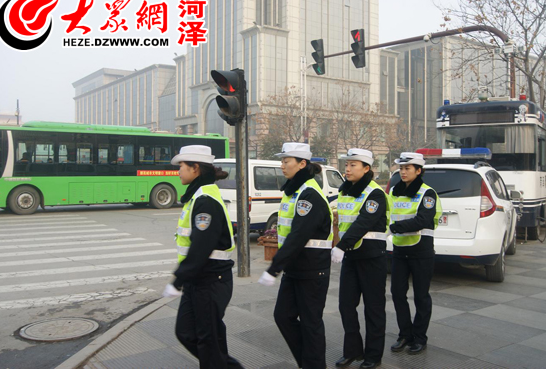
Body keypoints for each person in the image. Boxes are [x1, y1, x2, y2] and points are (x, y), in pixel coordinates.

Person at [162, 145, 243, 369]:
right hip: (198, 279)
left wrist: (177, 280)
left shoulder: (205, 200)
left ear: (195, 168)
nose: (178, 171)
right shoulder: (198, 196)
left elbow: (200, 247)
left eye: (182, 167)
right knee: (187, 332)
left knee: (208, 342)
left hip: (210, 281)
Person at [258, 142, 333, 369]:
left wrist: (274, 267)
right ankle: (308, 362)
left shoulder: (309, 195)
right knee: (283, 316)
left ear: (302, 164)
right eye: (282, 161)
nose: (282, 166)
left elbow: (298, 235)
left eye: (286, 161)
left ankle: (313, 364)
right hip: (295, 268)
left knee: (311, 324)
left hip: (312, 270)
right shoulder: (295, 192)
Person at [331, 148, 389, 369]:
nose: (347, 169)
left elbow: (363, 222)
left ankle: (373, 356)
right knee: (346, 305)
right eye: (346, 164)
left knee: (373, 308)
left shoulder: (375, 194)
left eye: (353, 165)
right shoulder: (345, 191)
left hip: (371, 257)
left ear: (366, 169)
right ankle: (353, 351)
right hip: (351, 257)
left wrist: (341, 246)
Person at [388, 152, 442, 355]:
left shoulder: (427, 193)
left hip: (421, 251)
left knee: (421, 296)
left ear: (418, 171)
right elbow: (387, 214)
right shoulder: (394, 191)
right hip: (400, 250)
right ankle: (405, 334)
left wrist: (394, 228)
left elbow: (423, 220)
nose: (402, 172)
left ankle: (420, 338)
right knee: (397, 294)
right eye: (401, 168)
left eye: (407, 168)